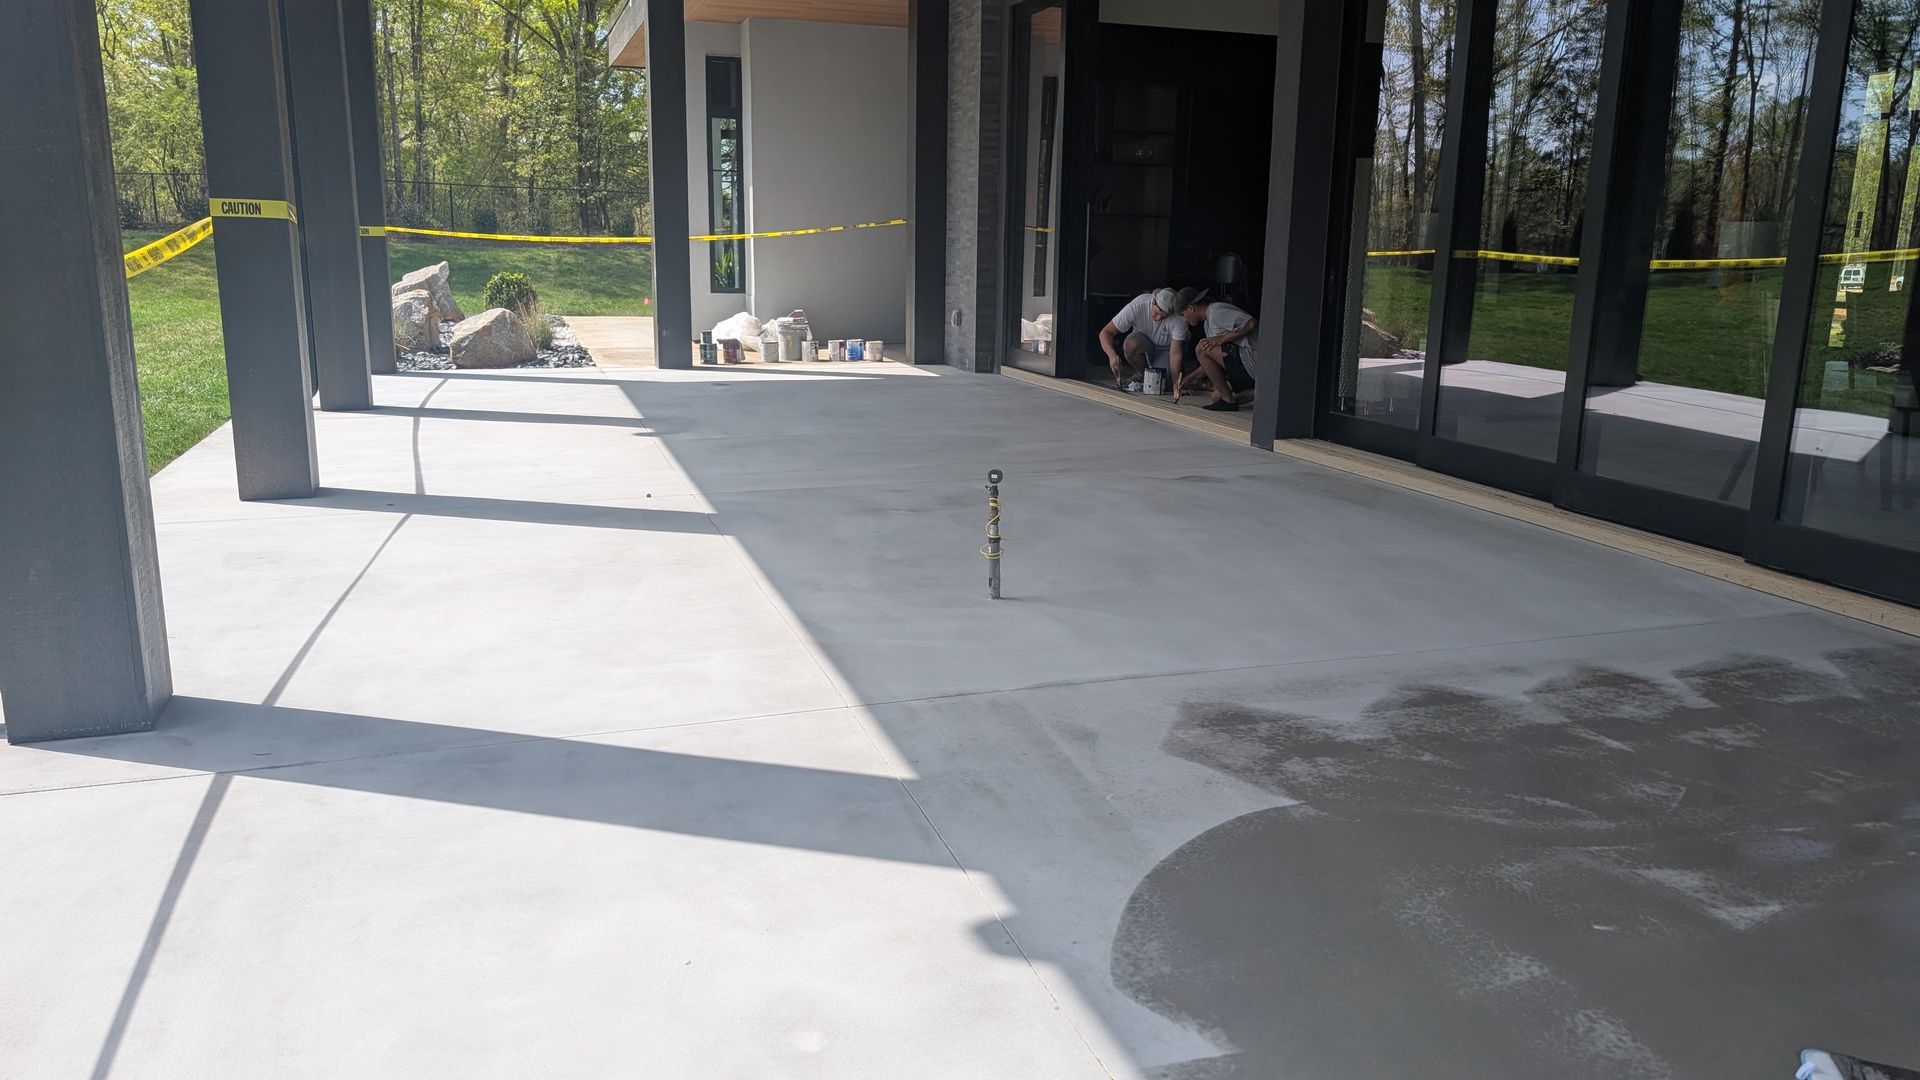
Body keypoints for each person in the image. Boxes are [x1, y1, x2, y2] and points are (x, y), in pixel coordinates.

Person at [1098, 287, 1194, 393]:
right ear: (1153, 301)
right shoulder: (1138, 305)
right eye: (1157, 312)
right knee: (1130, 345)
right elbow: (1106, 332)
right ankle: (1142, 374)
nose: (1158, 318)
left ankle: (1165, 376)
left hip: (1167, 348)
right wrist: (1112, 356)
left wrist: (1176, 385)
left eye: (1164, 316)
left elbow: (1175, 353)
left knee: (1161, 384)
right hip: (1143, 341)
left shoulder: (1180, 318)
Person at [1176, 291, 1259, 412]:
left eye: (1183, 314)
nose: (1184, 319)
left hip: (1254, 358)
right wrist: (1188, 379)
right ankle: (1257, 392)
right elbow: (1209, 363)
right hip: (1242, 364)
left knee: (1201, 347)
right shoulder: (1207, 323)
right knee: (1216, 397)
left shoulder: (1217, 311)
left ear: (1191, 308)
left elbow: (1251, 323)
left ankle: (1228, 401)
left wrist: (1222, 338)